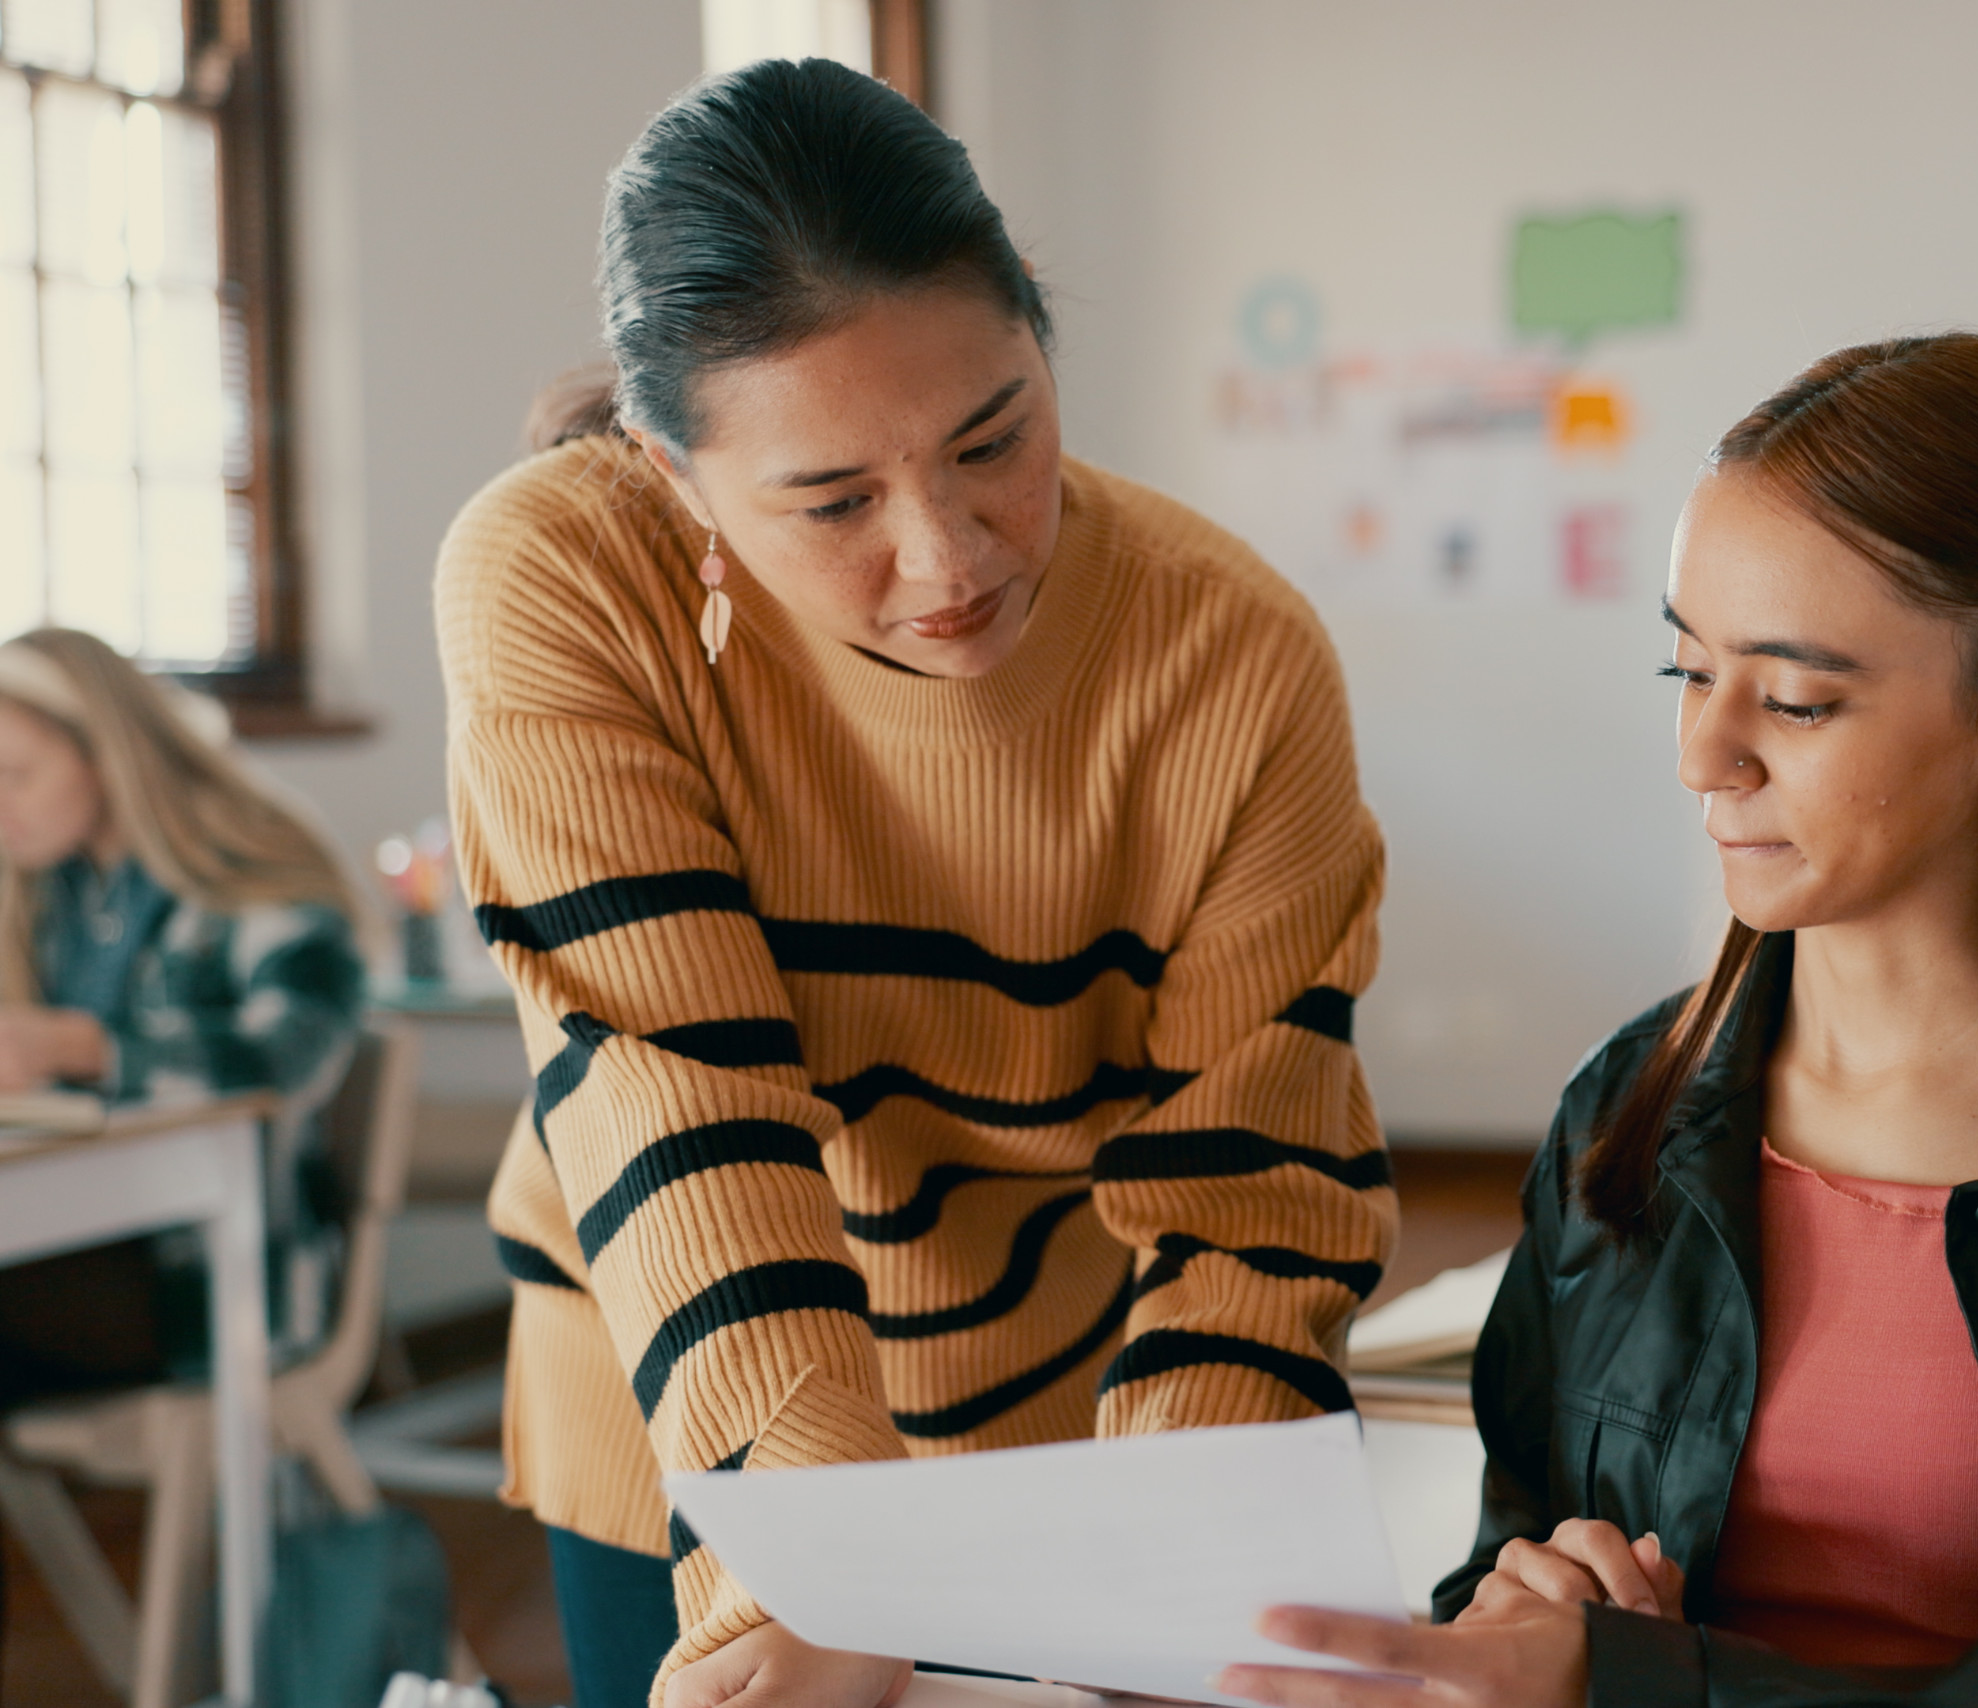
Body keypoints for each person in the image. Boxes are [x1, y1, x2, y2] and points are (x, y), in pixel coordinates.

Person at [1214, 336, 1978, 1708]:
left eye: (1797, 697)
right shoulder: (1634, 1103)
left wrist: (1664, 1682)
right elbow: (1514, 1581)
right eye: (1687, 671)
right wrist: (1529, 1605)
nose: (1703, 753)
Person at [436, 59, 1395, 1708]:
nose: (948, 558)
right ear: (677, 482)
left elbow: (1249, 1187)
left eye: (993, 438)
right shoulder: (566, 575)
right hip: (687, 1374)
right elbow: (674, 1090)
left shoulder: (1231, 656)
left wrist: (1181, 1561)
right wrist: (817, 1554)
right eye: (833, 501)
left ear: (1040, 339)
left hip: (1055, 1382)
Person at [0, 627, 368, 1405]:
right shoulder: (52, 892)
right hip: (85, 1243)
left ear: (104, 749)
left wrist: (81, 1047)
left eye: (17, 774)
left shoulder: (242, 865)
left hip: (214, 1277)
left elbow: (291, 1053)